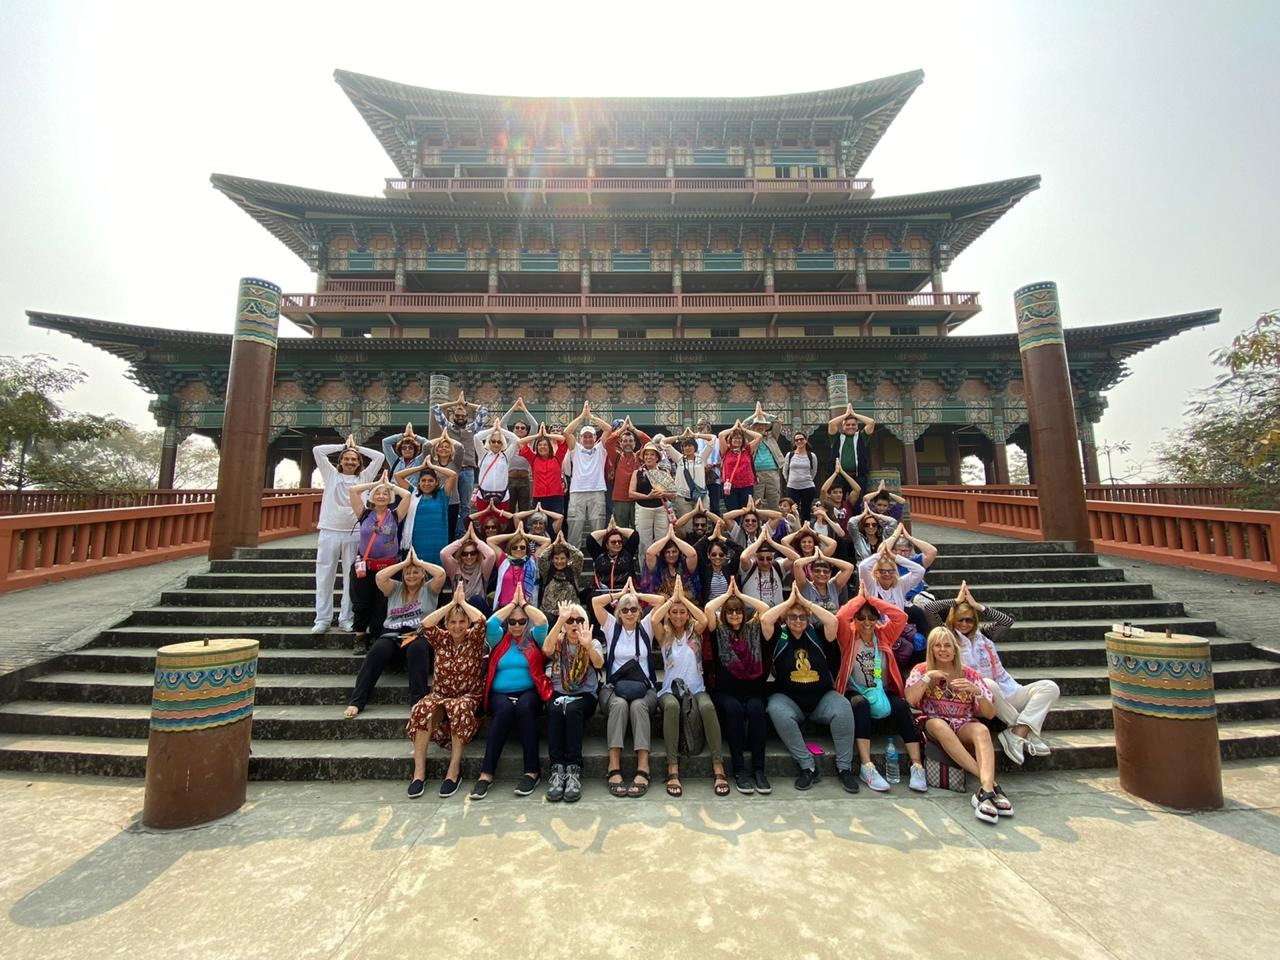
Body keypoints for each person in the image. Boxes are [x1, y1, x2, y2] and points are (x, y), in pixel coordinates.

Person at [925, 582, 1060, 764]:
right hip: (975, 697)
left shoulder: (984, 635)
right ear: (953, 620)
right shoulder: (948, 638)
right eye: (960, 620)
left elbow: (1007, 621)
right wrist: (956, 601)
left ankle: (1018, 732)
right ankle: (1026, 732)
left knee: (1049, 687)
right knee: (988, 684)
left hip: (1006, 690)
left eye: (969, 620)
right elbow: (929, 609)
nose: (964, 624)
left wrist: (977, 606)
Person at [763, 583, 859, 792]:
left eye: (802, 617)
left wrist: (806, 603)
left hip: (821, 697)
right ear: (786, 618)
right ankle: (807, 766)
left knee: (843, 707)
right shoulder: (780, 635)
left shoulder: (817, 633)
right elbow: (765, 620)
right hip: (789, 698)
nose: (797, 621)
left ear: (808, 619)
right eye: (793, 617)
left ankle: (844, 768)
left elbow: (832, 621)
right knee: (775, 708)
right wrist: (790, 602)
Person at [906, 627, 1008, 822]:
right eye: (937, 645)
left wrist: (977, 692)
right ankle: (991, 785)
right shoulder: (921, 670)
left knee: (982, 730)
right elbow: (910, 699)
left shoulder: (970, 674)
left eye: (947, 645)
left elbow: (989, 713)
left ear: (955, 649)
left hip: (963, 722)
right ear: (931, 649)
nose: (943, 650)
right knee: (939, 725)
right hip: (933, 721)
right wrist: (928, 677)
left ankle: (986, 790)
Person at [836, 583, 929, 793]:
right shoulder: (849, 635)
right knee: (860, 705)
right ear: (855, 620)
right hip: (855, 689)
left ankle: (917, 765)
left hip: (881, 690)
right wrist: (860, 599)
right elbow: (841, 617)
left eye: (871, 617)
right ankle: (867, 765)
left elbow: (900, 617)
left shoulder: (883, 635)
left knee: (901, 707)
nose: (867, 622)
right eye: (861, 618)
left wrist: (872, 600)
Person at [405, 585, 488, 799]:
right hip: (441, 695)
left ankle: (454, 770)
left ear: (467, 623)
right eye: (453, 622)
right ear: (446, 624)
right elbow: (426, 624)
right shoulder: (441, 638)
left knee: (459, 708)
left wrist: (463, 603)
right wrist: (451, 604)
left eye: (461, 622)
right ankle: (419, 773)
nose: (457, 626)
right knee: (422, 708)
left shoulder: (474, 639)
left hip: (467, 696)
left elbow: (481, 621)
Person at [468, 585, 551, 799]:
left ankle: (531, 772)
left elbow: (542, 621)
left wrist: (524, 604)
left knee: (524, 708)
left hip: (529, 692)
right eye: (512, 622)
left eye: (521, 621)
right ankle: (486, 774)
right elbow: (490, 623)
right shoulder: (498, 638)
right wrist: (513, 604)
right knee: (504, 710)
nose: (516, 625)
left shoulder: (534, 638)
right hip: (500, 695)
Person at [345, 549, 445, 718]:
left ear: (422, 574)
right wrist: (404, 563)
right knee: (377, 650)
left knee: (417, 649)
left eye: (416, 572)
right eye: (408, 573)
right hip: (392, 634)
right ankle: (357, 701)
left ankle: (418, 703)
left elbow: (441, 574)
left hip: (418, 634)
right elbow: (379, 577)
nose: (411, 576)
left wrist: (419, 562)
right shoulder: (395, 588)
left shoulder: (429, 589)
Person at [653, 580, 729, 797]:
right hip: (670, 690)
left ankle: (718, 767)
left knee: (707, 707)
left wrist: (683, 600)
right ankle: (672, 768)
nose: (678, 616)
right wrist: (672, 601)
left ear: (688, 614)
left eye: (682, 612)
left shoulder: (695, 632)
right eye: (674, 612)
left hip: (696, 688)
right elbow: (655, 618)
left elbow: (704, 618)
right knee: (671, 707)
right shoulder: (663, 634)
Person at [591, 580, 666, 798]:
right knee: (620, 705)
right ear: (619, 612)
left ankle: (643, 765)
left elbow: (661, 601)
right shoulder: (611, 626)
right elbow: (595, 603)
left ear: (640, 611)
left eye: (634, 609)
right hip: (614, 689)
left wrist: (636, 594)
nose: (630, 613)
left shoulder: (646, 626)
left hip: (645, 688)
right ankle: (613, 764)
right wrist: (620, 593)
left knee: (638, 706)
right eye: (625, 610)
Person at [704, 582, 773, 794]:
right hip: (726, 693)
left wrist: (741, 595)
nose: (734, 615)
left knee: (756, 709)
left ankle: (759, 770)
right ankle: (739, 770)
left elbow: (765, 609)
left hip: (753, 691)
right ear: (724, 614)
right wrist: (727, 595)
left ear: (744, 613)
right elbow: (708, 609)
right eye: (730, 611)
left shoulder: (753, 630)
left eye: (738, 611)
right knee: (733, 710)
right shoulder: (719, 632)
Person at [312, 436, 385, 634]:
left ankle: (346, 618)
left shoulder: (364, 478)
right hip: (329, 531)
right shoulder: (330, 474)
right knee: (324, 576)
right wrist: (344, 446)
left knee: (351, 579)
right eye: (346, 459)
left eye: (354, 459)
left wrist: (356, 447)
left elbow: (379, 457)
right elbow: (318, 451)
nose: (350, 462)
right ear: (340, 461)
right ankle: (322, 619)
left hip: (354, 533)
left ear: (359, 462)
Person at [542, 601, 604, 802]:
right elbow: (546, 649)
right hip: (559, 691)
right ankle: (557, 769)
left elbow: (599, 663)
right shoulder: (558, 641)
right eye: (570, 620)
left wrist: (588, 646)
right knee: (555, 711)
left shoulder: (592, 641)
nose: (574, 624)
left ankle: (573, 770)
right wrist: (560, 620)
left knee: (572, 710)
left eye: (579, 620)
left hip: (585, 695)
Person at [345, 473, 412, 653]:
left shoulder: (395, 515)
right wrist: (377, 483)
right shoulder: (365, 514)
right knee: (361, 602)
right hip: (365, 565)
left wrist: (389, 485)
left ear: (390, 498)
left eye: (385, 494)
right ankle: (360, 636)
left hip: (388, 567)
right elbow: (353, 490)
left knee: (383, 603)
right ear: (372, 497)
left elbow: (407, 495)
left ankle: (376, 636)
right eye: (378, 493)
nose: (381, 496)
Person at [859, 535, 931, 667]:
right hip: (877, 629)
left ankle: (913, 671)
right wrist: (879, 555)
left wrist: (894, 557)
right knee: (881, 656)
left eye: (891, 571)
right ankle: (882, 676)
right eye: (882, 571)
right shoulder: (871, 585)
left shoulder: (900, 584)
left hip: (899, 629)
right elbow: (863, 567)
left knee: (919, 641)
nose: (887, 574)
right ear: (876, 573)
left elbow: (919, 570)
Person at [431, 390, 489, 536]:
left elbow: (483, 411)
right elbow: (436, 409)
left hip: (468, 470)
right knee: (449, 502)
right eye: (457, 415)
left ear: (467, 417)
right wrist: (456, 403)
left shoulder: (473, 429)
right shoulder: (448, 427)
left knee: (465, 505)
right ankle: (448, 531)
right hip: (451, 470)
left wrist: (465, 404)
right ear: (453, 417)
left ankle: (462, 533)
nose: (460, 417)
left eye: (463, 416)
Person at [563, 400, 613, 548]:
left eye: (590, 436)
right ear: (580, 438)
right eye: (585, 436)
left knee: (598, 531)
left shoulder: (600, 449)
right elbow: (566, 433)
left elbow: (608, 429)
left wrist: (591, 417)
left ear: (595, 438)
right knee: (574, 529)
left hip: (597, 492)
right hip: (577, 492)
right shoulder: (576, 449)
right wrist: (581, 417)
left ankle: (598, 559)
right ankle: (574, 557)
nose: (588, 439)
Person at [395, 461, 457, 565]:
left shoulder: (442, 495)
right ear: (419, 482)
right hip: (416, 541)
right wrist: (421, 467)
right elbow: (398, 476)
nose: (426, 483)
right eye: (423, 480)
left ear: (436, 482)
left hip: (436, 542)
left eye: (430, 480)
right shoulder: (413, 493)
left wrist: (432, 466)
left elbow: (453, 475)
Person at [629, 442, 677, 556]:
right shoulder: (637, 473)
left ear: (657, 458)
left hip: (661, 509)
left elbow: (673, 494)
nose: (648, 457)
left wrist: (663, 493)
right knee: (644, 542)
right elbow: (631, 493)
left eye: (652, 454)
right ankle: (645, 566)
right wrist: (647, 497)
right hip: (643, 509)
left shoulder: (664, 472)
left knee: (662, 540)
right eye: (646, 454)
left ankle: (661, 565)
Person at [604, 417, 651, 529]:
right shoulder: (616, 456)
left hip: (637, 499)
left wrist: (633, 429)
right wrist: (623, 429)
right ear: (620, 443)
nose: (628, 443)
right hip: (620, 499)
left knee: (637, 528)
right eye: (625, 441)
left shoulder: (639, 456)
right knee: (621, 529)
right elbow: (609, 442)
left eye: (630, 441)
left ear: (635, 443)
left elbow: (648, 442)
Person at [487, 525, 548, 609]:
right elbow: (490, 541)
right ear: (510, 548)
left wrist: (525, 535)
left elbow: (546, 542)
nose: (518, 549)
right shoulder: (503, 560)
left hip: (525, 608)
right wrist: (514, 534)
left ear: (527, 549)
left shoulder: (532, 560)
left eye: (522, 547)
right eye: (514, 547)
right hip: (504, 607)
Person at [440, 525, 497, 612]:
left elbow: (491, 555)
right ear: (460, 555)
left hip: (479, 609)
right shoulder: (455, 568)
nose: (469, 557)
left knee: (475, 599)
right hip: (460, 610)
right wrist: (464, 539)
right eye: (465, 554)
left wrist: (475, 539)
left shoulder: (482, 567)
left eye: (473, 553)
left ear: (477, 554)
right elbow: (444, 554)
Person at [516, 424, 568, 517]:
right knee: (539, 522)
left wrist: (547, 435)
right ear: (537, 447)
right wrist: (538, 435)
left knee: (556, 522)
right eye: (540, 445)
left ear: (549, 447)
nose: (542, 447)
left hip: (556, 497)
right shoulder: (533, 458)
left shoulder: (557, 458)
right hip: (539, 497)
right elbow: (520, 442)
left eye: (545, 445)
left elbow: (563, 439)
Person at [498, 398, 538, 513]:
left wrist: (524, 409)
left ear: (526, 431)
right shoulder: (509, 440)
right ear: (513, 430)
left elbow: (534, 425)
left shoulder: (528, 441)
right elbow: (502, 424)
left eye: (523, 428)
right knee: (509, 508)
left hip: (524, 480)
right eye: (517, 427)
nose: (520, 429)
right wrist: (513, 408)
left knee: (524, 509)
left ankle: (523, 525)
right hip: (510, 479)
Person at [738, 530, 797, 607]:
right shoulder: (749, 567)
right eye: (761, 559)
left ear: (773, 557)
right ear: (755, 557)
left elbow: (796, 558)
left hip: (776, 611)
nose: (765, 562)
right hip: (753, 612)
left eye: (769, 559)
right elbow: (743, 558)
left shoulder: (778, 566)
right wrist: (759, 541)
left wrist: (772, 543)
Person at [826, 403, 875, 496]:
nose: (850, 427)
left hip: (858, 476)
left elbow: (871, 422)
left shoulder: (861, 437)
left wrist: (854, 414)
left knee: (858, 500)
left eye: (853, 425)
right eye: (847, 425)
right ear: (843, 426)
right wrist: (846, 414)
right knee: (838, 500)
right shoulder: (837, 438)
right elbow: (831, 424)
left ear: (857, 426)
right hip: (839, 477)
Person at [717, 419, 763, 512]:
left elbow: (759, 436)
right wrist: (733, 428)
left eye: (739, 438)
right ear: (731, 440)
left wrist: (743, 429)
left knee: (746, 511)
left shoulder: (747, 450)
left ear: (743, 440)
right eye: (735, 438)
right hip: (730, 486)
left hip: (746, 486)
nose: (737, 440)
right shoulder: (726, 451)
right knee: (732, 511)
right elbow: (721, 435)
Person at [537, 532, 585, 620]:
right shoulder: (547, 570)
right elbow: (541, 558)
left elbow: (579, 556)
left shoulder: (574, 570)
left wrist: (565, 544)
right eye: (556, 558)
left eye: (562, 558)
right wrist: (554, 544)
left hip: (570, 613)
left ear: (567, 559)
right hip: (549, 612)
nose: (559, 561)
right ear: (552, 559)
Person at [748, 402, 786, 510]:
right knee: (756, 501)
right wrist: (755, 414)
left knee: (774, 500)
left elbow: (778, 421)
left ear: (766, 426)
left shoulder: (771, 436)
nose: (760, 426)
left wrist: (763, 413)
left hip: (772, 472)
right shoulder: (751, 438)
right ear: (753, 427)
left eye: (762, 424)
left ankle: (775, 521)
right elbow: (743, 425)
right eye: (757, 424)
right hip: (756, 473)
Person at [792, 553, 856, 618]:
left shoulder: (834, 585)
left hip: (832, 624)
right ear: (811, 572)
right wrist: (815, 557)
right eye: (817, 571)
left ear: (830, 573)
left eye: (826, 571)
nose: (822, 574)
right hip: (812, 624)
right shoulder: (805, 586)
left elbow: (849, 567)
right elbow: (797, 564)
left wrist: (825, 558)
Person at [586, 518, 641, 594]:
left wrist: (617, 529)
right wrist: (608, 530)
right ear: (607, 544)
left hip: (624, 591)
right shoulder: (599, 555)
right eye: (613, 542)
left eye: (619, 542)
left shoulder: (627, 553)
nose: (617, 544)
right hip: (603, 592)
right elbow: (590, 538)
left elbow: (634, 535)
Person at [644, 527, 699, 600]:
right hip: (662, 603)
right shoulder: (658, 566)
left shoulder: (685, 565)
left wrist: (674, 538)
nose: (671, 555)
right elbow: (649, 553)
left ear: (679, 552)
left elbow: (693, 554)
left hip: (685, 603)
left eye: (674, 552)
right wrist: (667, 538)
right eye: (667, 552)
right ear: (663, 554)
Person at [428, 436, 465, 541]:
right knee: (436, 529)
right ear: (436, 450)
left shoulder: (455, 463)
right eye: (441, 446)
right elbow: (426, 446)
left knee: (450, 530)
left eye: (447, 447)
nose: (444, 448)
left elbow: (460, 448)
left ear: (451, 451)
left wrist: (447, 438)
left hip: (452, 502)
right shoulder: (432, 462)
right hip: (435, 500)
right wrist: (440, 438)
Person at [782, 429, 819, 521]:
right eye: (796, 440)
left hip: (807, 487)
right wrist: (790, 481)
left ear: (806, 440)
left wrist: (806, 479)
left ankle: (806, 528)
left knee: (806, 510)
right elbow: (785, 471)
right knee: (793, 510)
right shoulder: (790, 455)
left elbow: (813, 471)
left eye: (801, 439)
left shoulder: (812, 456)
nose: (799, 441)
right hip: (792, 487)